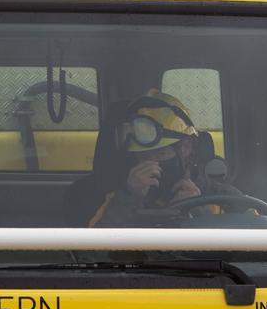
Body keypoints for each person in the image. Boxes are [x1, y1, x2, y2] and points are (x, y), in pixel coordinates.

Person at [88, 89, 241, 227]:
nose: (150, 164)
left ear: (186, 147)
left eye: (160, 154)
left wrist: (197, 213)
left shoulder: (225, 199)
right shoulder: (117, 200)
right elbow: (94, 249)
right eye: (142, 157)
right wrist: (129, 198)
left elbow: (246, 251)